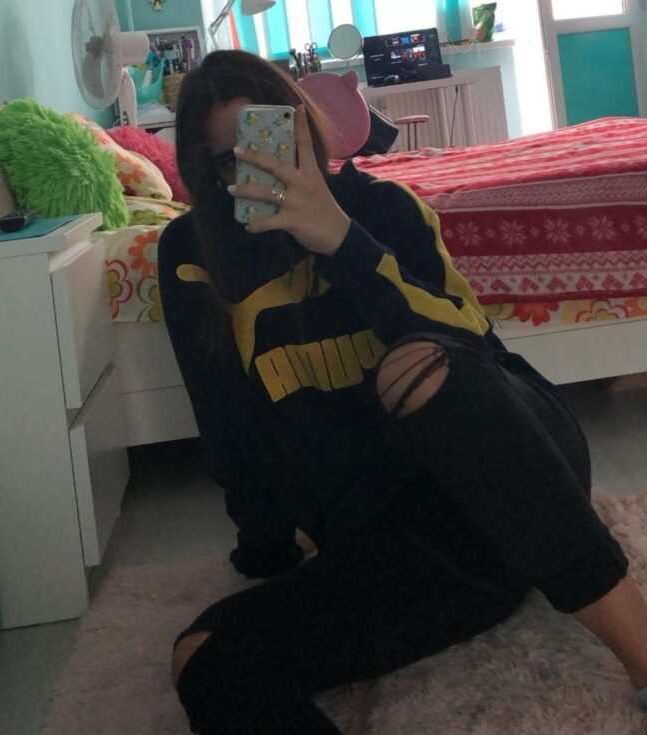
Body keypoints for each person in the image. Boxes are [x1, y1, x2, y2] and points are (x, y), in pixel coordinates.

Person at [158, 50, 647, 733]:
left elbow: (470, 347)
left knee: (418, 368)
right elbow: (228, 424)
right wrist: (267, 551)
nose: (260, 169)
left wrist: (339, 239)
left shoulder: (383, 207)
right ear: (208, 174)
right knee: (203, 654)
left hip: (520, 470)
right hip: (409, 551)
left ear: (301, 127)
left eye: (270, 140)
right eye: (232, 161)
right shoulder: (193, 253)